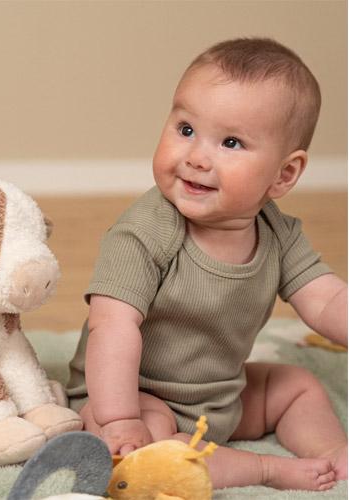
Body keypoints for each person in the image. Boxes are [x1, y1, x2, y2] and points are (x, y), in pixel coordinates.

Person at [66, 38, 348, 491]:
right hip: (133, 395)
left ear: (284, 174)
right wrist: (119, 418)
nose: (196, 157)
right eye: (185, 129)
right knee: (151, 453)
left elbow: (328, 300)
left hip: (220, 398)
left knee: (296, 385)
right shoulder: (145, 232)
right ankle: (265, 470)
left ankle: (332, 455)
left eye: (231, 142)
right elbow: (111, 325)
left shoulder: (278, 233)